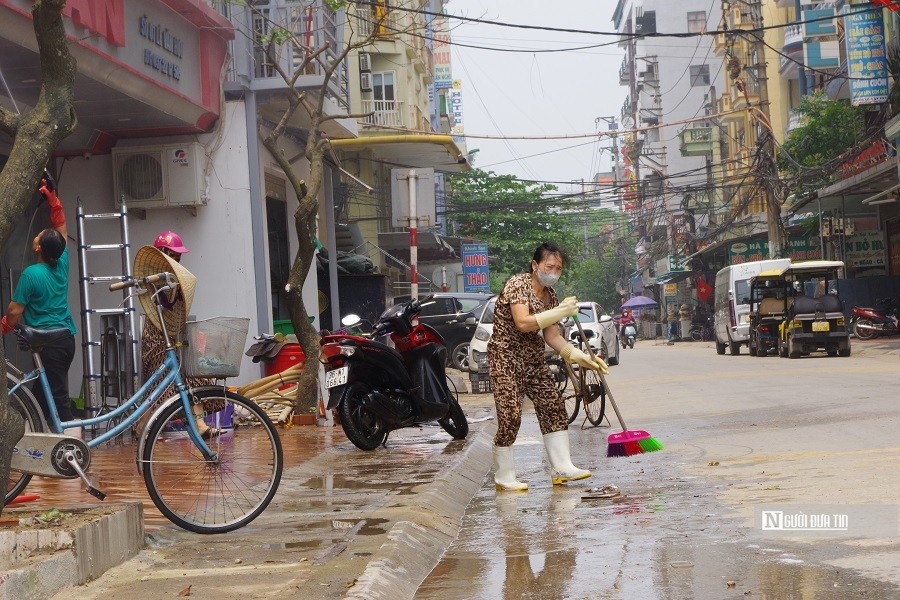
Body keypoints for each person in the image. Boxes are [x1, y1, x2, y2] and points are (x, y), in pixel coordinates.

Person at [488, 242, 608, 492]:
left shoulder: (550, 296)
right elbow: (523, 323)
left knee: (553, 406)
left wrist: (580, 356)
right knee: (510, 415)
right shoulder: (517, 285)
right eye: (549, 266)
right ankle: (505, 475)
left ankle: (562, 467)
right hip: (505, 359)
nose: (553, 272)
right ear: (535, 265)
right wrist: (560, 311)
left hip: (533, 360)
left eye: (558, 269)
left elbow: (552, 337)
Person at [2, 178, 79, 435]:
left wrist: (3, 327)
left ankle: (74, 445)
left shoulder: (32, 274)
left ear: (38, 247)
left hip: (49, 343)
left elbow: (14, 311)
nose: (39, 233)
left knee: (56, 396)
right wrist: (53, 200)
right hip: (65, 340)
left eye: (39, 236)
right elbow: (61, 227)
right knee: (41, 393)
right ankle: (35, 442)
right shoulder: (62, 260)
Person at [138, 231, 217, 438]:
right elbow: (165, 303)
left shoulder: (172, 277)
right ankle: (142, 426)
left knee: (192, 377)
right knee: (161, 386)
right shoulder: (157, 276)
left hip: (174, 334)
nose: (178, 259)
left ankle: (199, 424)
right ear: (164, 253)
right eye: (174, 255)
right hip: (157, 334)